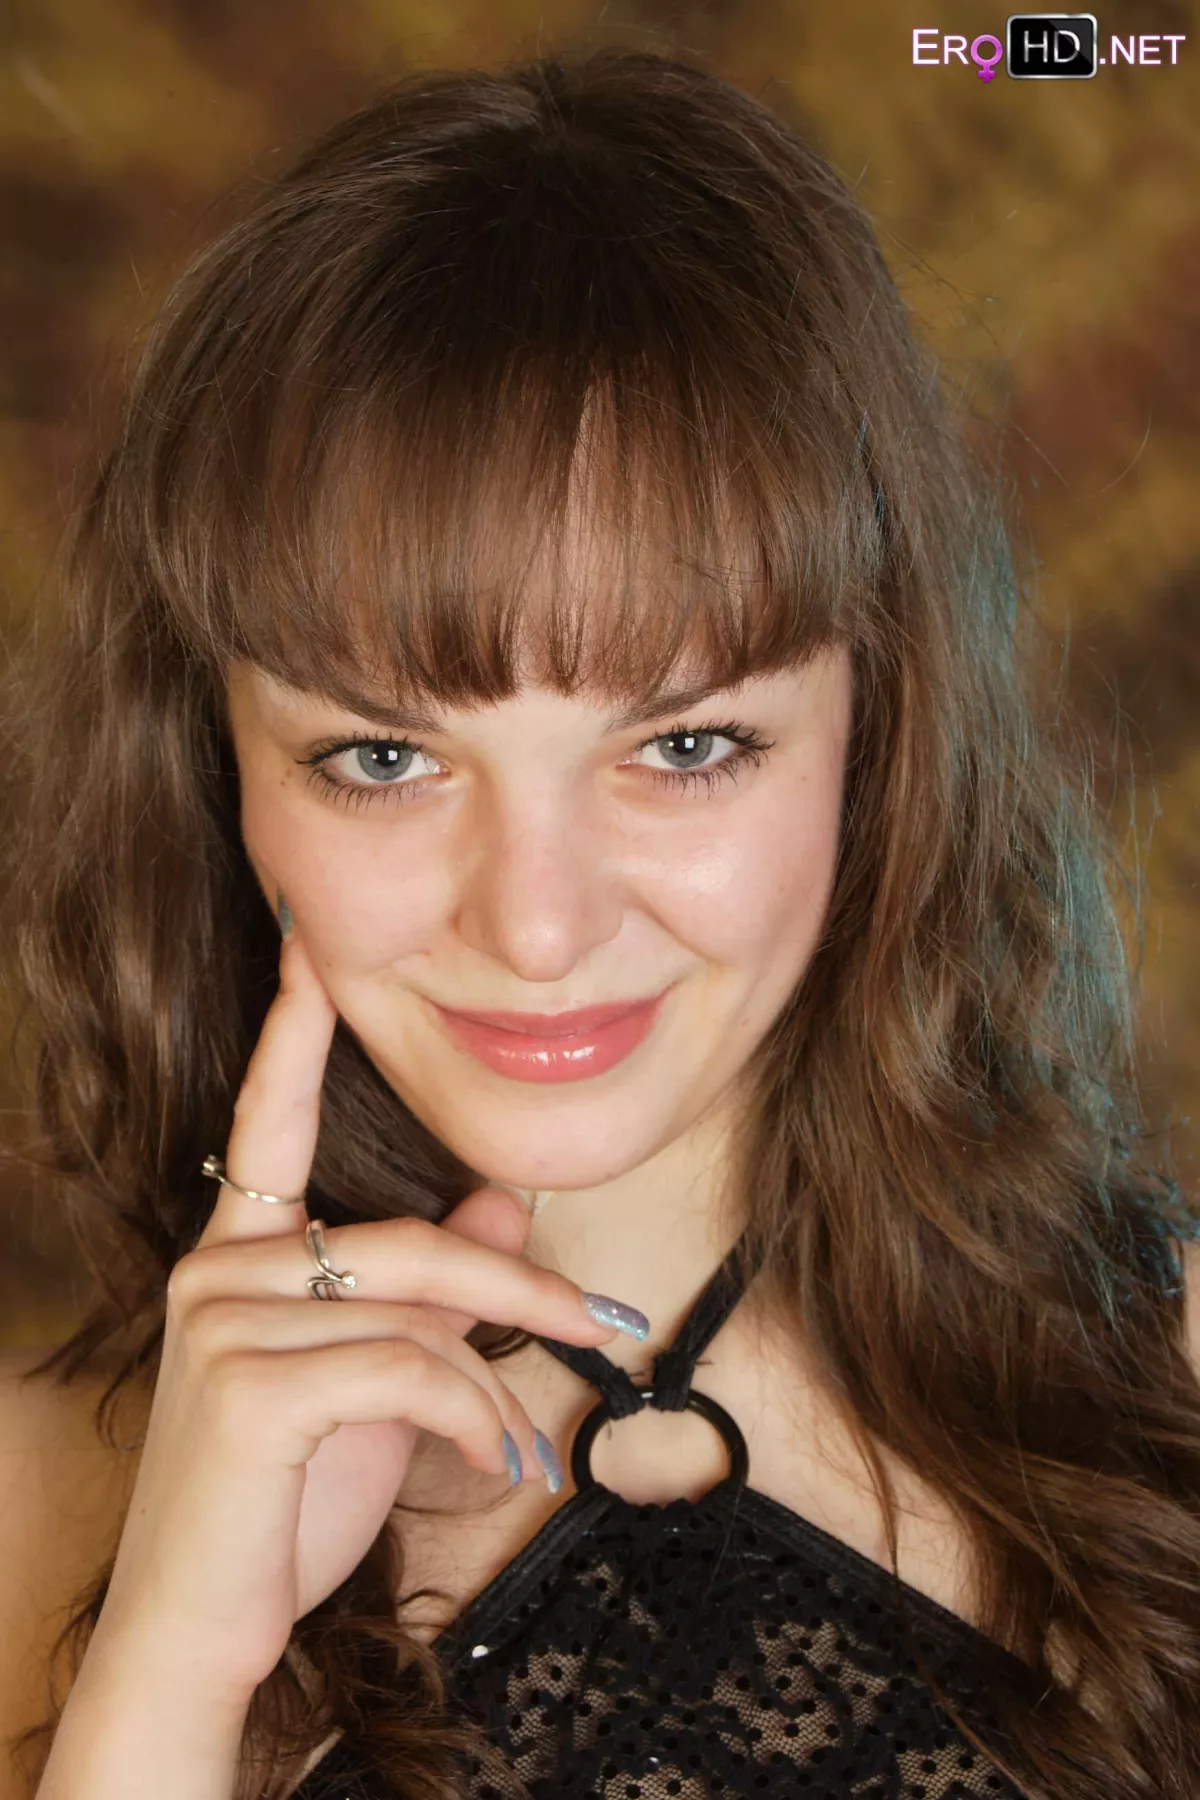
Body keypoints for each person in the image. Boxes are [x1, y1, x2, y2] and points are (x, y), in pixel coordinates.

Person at [2, 43, 1198, 1800]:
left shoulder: (1174, 1391)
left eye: (685, 746)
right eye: (386, 758)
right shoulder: (38, 1506)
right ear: (218, 764)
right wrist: (172, 1669)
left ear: (877, 735)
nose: (540, 927)